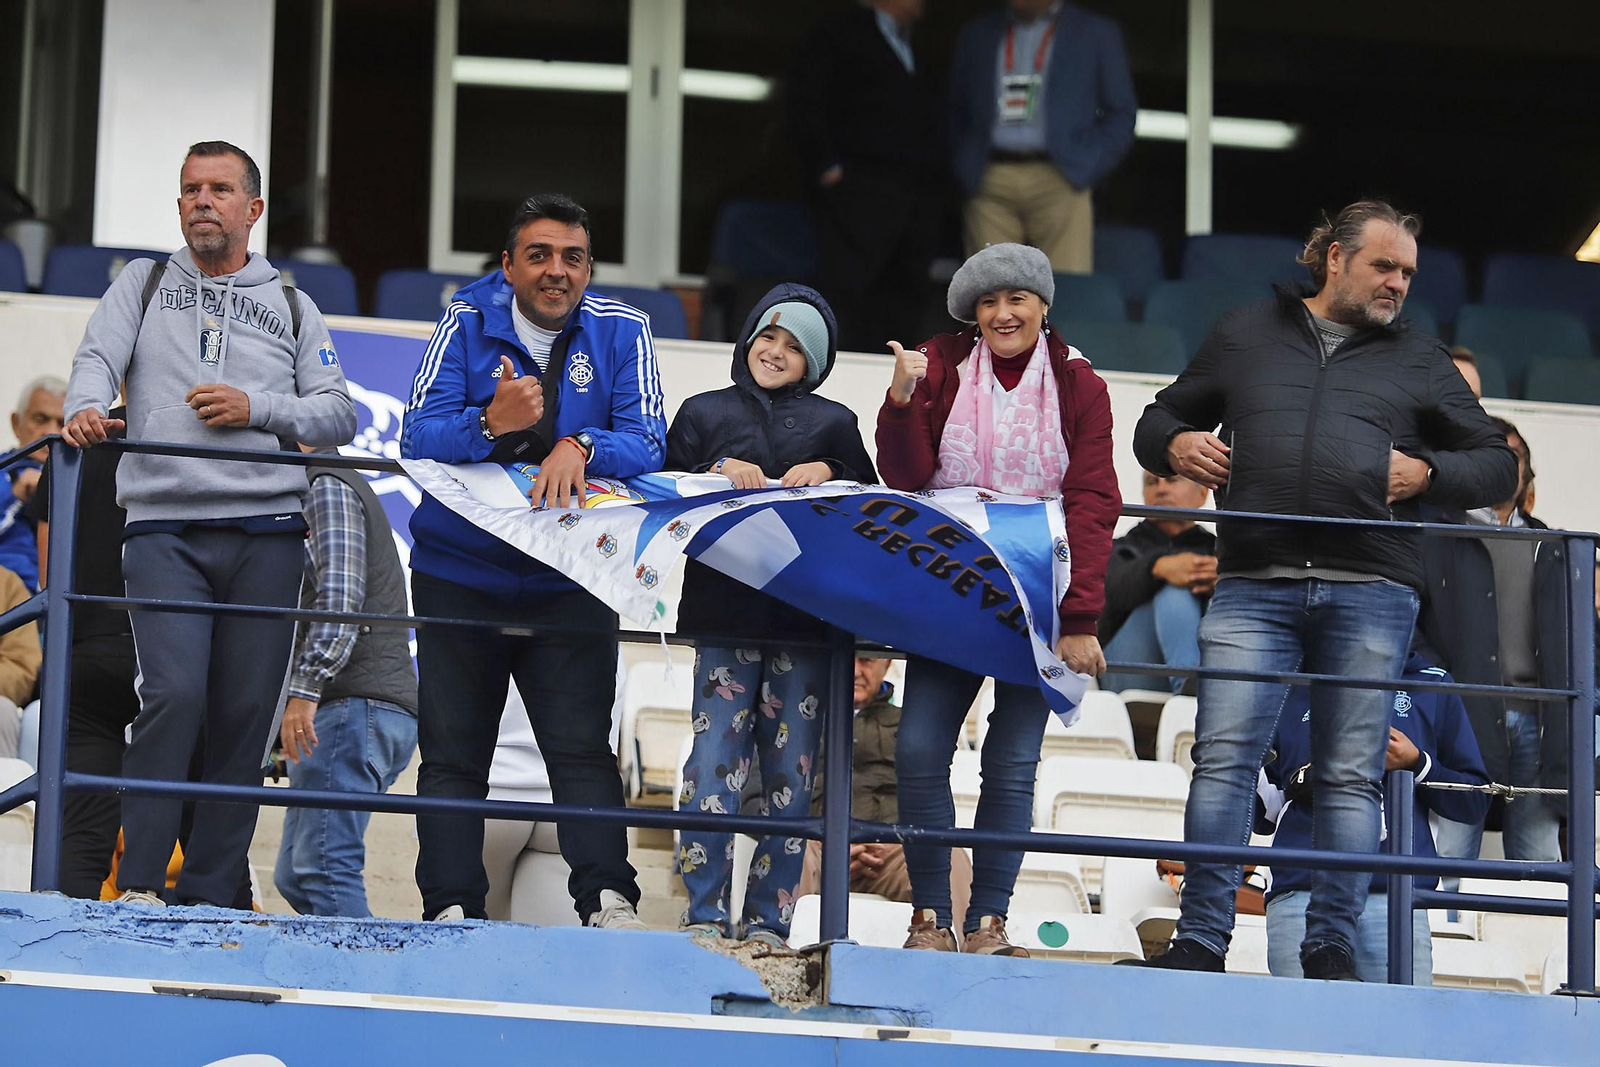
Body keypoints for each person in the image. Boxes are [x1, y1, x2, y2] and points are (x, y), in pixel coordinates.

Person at [1125, 199, 1517, 979]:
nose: (1398, 283)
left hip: (1372, 585)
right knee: (1224, 762)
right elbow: (1155, 417)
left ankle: (1329, 943)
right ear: (1333, 258)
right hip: (1253, 580)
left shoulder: (1421, 357)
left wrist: (1429, 473)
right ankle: (1202, 938)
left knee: (1348, 772)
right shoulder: (1244, 332)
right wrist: (1175, 440)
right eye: (1384, 266)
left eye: (1407, 271)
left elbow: (1497, 463)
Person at [61, 140, 356, 908]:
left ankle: (211, 892)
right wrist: (84, 408)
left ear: (252, 210)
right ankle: (137, 886)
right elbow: (96, 358)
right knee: (175, 695)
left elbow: (338, 411)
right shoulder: (145, 280)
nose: (202, 200)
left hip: (267, 531)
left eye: (220, 189)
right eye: (190, 188)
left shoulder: (294, 303)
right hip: (164, 525)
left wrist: (256, 408)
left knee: (241, 722)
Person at [401, 193, 665, 928]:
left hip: (572, 572)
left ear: (589, 267)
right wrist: (492, 421)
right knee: (453, 751)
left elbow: (651, 439)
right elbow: (416, 434)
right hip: (463, 568)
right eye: (540, 255)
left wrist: (581, 445)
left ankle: (608, 899)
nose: (557, 271)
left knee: (582, 747)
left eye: (573, 257)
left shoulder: (624, 329)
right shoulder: (464, 320)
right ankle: (450, 906)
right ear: (510, 264)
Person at [877, 242, 1118, 955]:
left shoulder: (1080, 384)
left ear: (1043, 306)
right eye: (988, 301)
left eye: (1017, 299)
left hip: (1041, 596)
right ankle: (928, 917)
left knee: (1010, 763)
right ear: (972, 312)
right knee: (920, 748)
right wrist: (901, 399)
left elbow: (1095, 499)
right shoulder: (940, 361)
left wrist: (1080, 616)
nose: (1003, 313)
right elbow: (907, 475)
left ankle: (987, 922)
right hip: (952, 585)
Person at [666, 284, 877, 947]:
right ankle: (702, 915)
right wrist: (713, 466)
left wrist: (832, 467)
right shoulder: (702, 411)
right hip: (724, 621)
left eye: (795, 346)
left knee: (790, 785)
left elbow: (872, 505)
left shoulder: (836, 421)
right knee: (710, 774)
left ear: (814, 362)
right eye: (768, 337)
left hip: (806, 629)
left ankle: (767, 924)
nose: (777, 352)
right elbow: (660, 486)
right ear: (748, 338)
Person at [1259, 651, 1489, 984]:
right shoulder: (1284, 682)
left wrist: (1417, 764)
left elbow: (1475, 803)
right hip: (1302, 892)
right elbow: (1262, 816)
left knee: (1399, 1033)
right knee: (1304, 1033)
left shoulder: (1431, 683)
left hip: (1395, 897)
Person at [1419, 417, 1587, 869]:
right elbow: (1415, 627)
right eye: (1494, 455)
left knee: (1540, 864)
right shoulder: (1437, 535)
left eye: (1513, 458)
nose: (1504, 467)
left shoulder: (1553, 544)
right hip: (1462, 718)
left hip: (1540, 719)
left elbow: (1575, 640)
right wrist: (1444, 689)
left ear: (1526, 474)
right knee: (1448, 859)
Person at [273, 444, 419, 918]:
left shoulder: (325, 484)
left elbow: (339, 597)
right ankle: (347, 977)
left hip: (355, 706)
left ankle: (364, 984)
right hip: (362, 705)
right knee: (295, 874)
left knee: (322, 866)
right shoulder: (326, 481)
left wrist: (303, 689)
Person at [25, 407, 140, 897]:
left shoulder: (70, 442)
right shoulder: (197, 437)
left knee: (81, 838)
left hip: (86, 651)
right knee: (198, 830)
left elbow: (51, 581)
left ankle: (66, 965)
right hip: (168, 653)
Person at [789, 0, 943, 352]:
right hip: (858, 192)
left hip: (914, 195)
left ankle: (894, 385)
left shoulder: (918, 43)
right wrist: (826, 166)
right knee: (849, 292)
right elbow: (805, 100)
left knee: (905, 295)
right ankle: (839, 382)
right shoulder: (838, 32)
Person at [948, 1, 1137, 273]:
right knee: (989, 290)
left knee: (1065, 293)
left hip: (1061, 178)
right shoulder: (977, 33)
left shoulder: (1096, 32)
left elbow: (1121, 112)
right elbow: (955, 110)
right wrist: (965, 164)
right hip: (990, 179)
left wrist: (1087, 165)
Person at [796, 653, 974, 931]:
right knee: (789, 851)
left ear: (887, 664)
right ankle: (779, 958)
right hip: (814, 846)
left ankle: (956, 957)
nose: (855, 671)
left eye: (866, 660)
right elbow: (756, 797)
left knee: (949, 855)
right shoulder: (797, 721)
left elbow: (934, 800)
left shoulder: (914, 726)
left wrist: (894, 840)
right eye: (848, 659)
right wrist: (823, 841)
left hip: (891, 852)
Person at [1099, 472, 1214, 694]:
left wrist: (1223, 583)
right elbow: (1106, 595)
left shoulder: (1221, 556)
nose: (1161, 489)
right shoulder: (1116, 550)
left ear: (1202, 493)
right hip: (1128, 673)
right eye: (1152, 482)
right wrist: (1159, 568)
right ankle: (1191, 690)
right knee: (1174, 588)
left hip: (1213, 662)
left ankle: (1191, 686)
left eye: (1172, 480)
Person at [0, 376, 67, 592]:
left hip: (59, 612)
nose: (52, 432)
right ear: (16, 423)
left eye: (62, 423)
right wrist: (15, 496)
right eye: (41, 419)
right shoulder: (3, 474)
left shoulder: (78, 482)